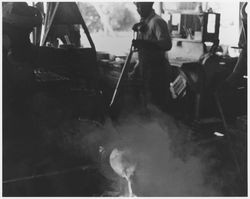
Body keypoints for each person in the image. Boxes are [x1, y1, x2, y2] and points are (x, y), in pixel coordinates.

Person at [132, 2, 172, 112]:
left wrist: (145, 44)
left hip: (157, 71)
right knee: (147, 105)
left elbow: (167, 44)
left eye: (141, 6)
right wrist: (137, 67)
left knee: (157, 107)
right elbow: (144, 52)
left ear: (149, 5)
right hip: (146, 69)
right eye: (137, 6)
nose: (138, 10)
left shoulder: (157, 22)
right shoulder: (145, 22)